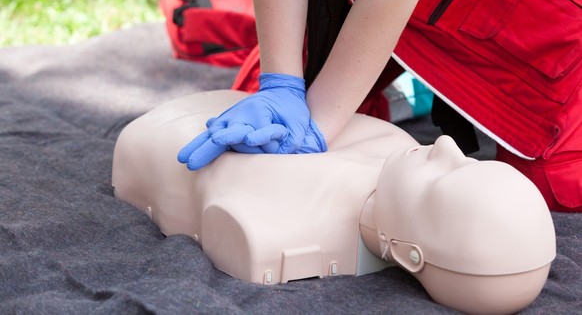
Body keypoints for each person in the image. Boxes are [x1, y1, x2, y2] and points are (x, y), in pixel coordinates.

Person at [178, 0, 582, 212]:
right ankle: (411, 90)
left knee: (552, 184)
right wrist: (279, 84)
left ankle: (435, 84)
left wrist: (317, 128)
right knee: (257, 113)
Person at [112, 90, 556, 314]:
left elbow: (231, 222)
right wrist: (282, 86)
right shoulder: (398, 149)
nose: (443, 145)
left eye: (442, 176)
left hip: (165, 140)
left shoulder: (283, 224)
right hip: (201, 116)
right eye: (469, 162)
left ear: (409, 255)